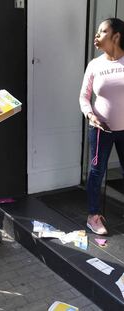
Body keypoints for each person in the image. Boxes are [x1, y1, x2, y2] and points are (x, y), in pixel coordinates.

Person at [79, 17, 124, 236]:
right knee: (97, 173)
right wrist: (90, 114)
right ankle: (93, 216)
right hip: (101, 130)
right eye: (97, 31)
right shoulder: (94, 65)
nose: (97, 35)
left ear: (116, 36)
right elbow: (84, 97)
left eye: (102, 31)